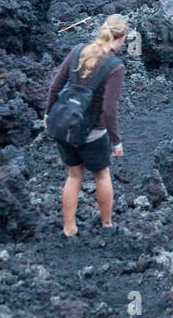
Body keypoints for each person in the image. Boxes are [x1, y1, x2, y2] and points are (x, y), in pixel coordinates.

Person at [44, 15, 128, 237]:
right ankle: (107, 225)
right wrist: (116, 141)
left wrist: (47, 114)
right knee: (101, 175)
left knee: (73, 176)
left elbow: (55, 86)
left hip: (64, 127)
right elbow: (109, 110)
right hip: (92, 132)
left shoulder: (78, 50)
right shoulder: (114, 67)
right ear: (123, 37)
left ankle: (69, 228)